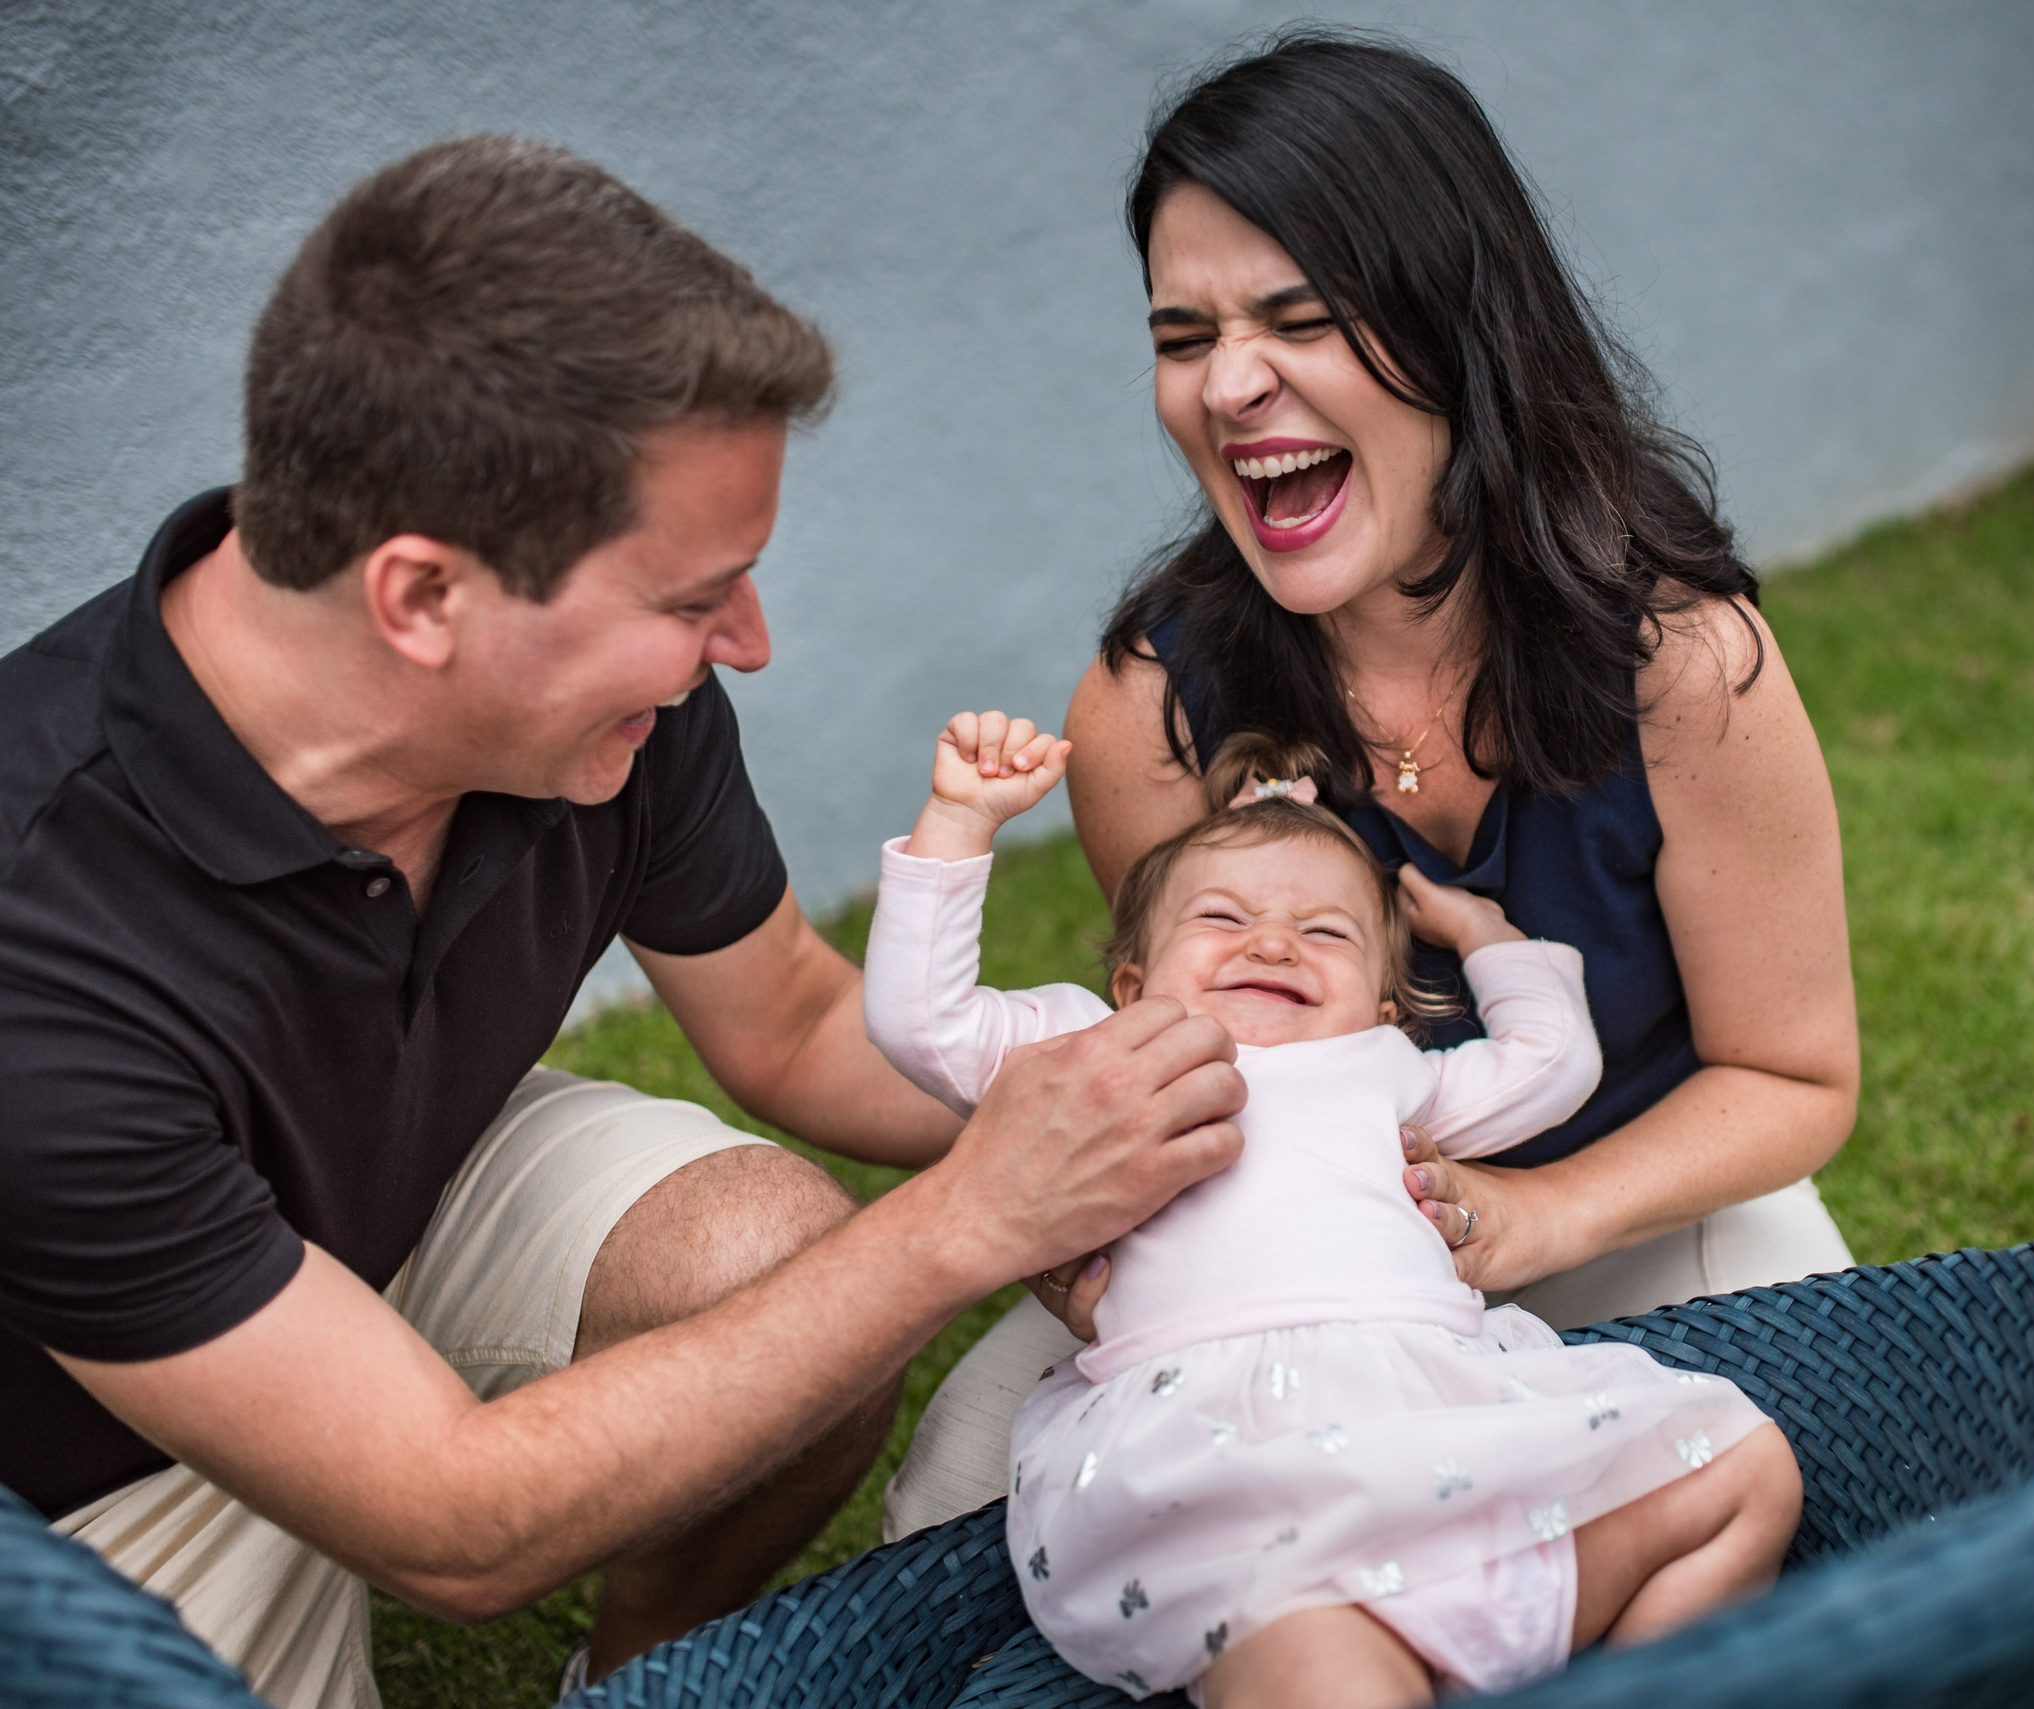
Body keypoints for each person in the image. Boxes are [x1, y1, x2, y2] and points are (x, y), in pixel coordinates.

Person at [0, 137, 1246, 1709]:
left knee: (784, 1267)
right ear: (420, 599)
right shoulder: (37, 960)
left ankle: (640, 1680)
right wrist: (972, 1220)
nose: (747, 642)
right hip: (90, 1471)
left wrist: (1164, 1103)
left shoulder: (614, 722)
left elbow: (790, 1021)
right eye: (690, 599)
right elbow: (448, 1526)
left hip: (391, 1189)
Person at [883, 31, 1860, 1544]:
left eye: (1300, 317)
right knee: (955, 1489)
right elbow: (1178, 1072)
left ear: (1453, 330)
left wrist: (1545, 1215)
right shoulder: (1152, 715)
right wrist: (1074, 1254)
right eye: (1184, 334)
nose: (1231, 384)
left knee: (1815, 1497)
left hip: (1647, 1206)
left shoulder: (1680, 667)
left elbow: (1792, 1079)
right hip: (1290, 1259)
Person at [864, 713, 1799, 1707]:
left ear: (1383, 1008)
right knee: (1327, 1666)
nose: (1272, 940)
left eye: (1323, 932)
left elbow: (1551, 1065)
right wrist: (960, 823)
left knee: (1743, 1468)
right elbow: (923, 1023)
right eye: (1221, 920)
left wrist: (1490, 940)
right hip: (1248, 1481)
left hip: (1448, 1434)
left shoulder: (1385, 1071)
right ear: (1132, 984)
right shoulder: (1100, 1053)